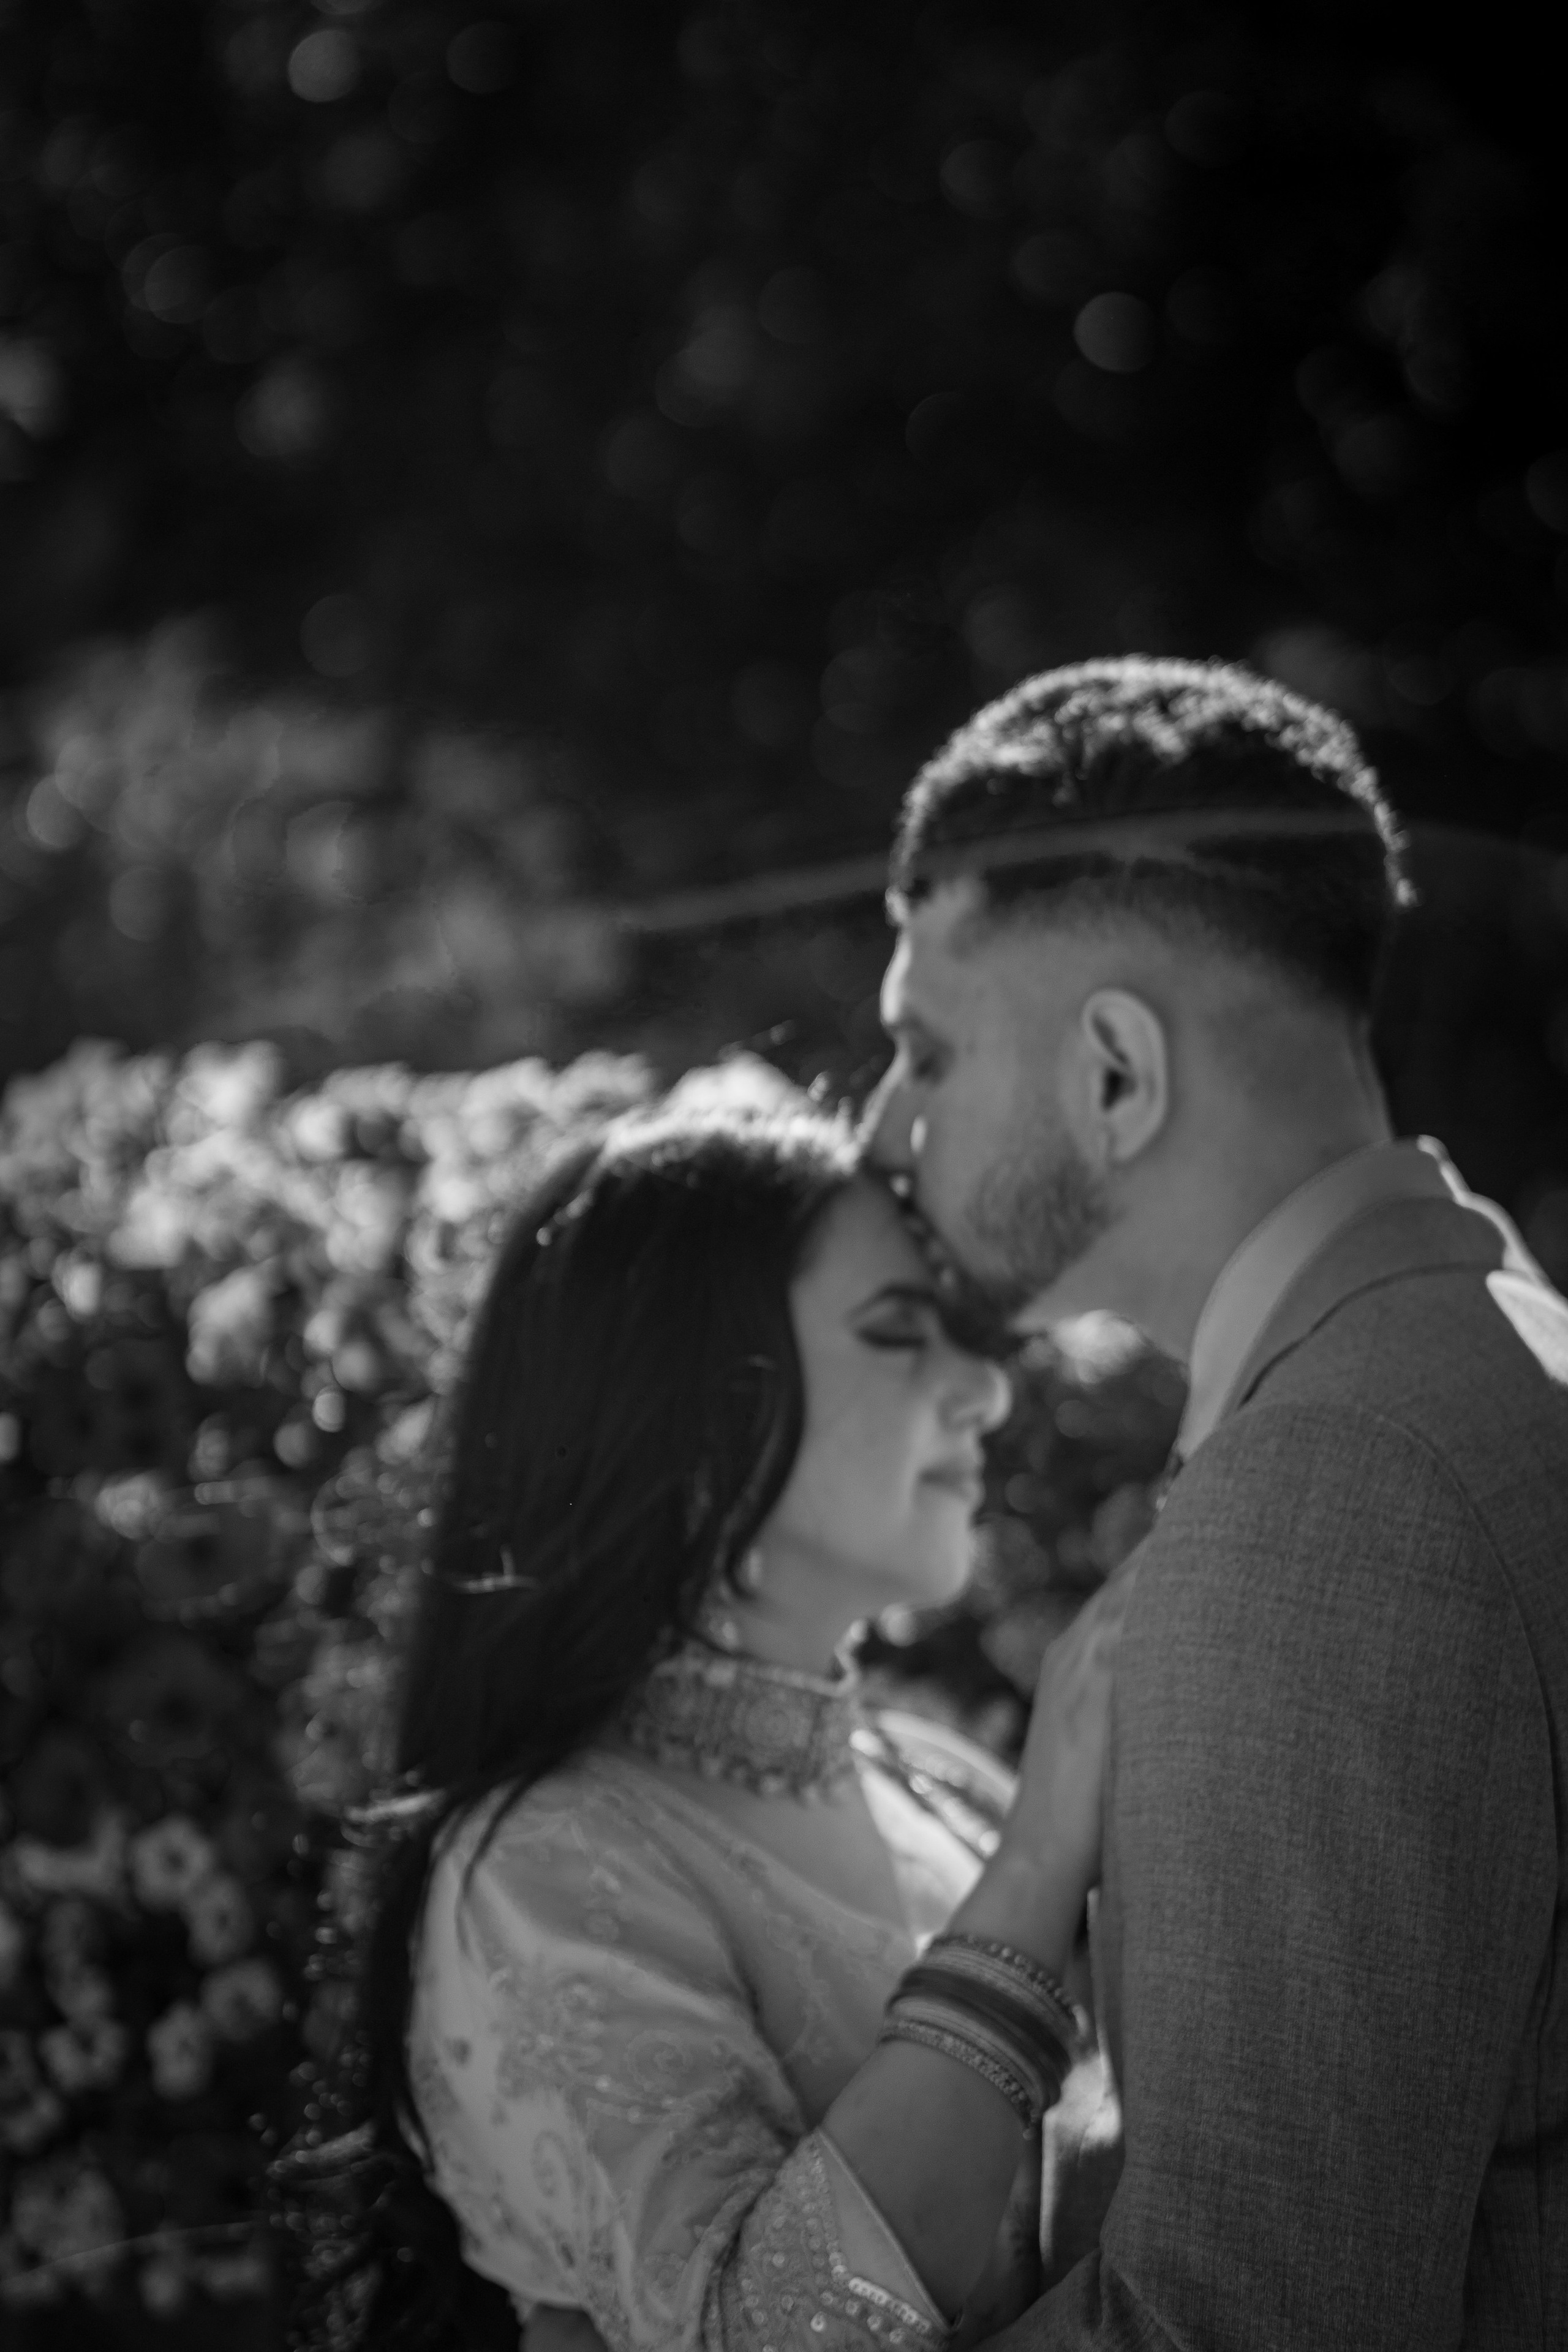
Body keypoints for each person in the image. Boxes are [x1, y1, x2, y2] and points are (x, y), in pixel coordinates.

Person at [861, 655, 1568, 2350]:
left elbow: (1241, 2322)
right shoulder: (1496, 1344)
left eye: (926, 1050)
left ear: (1117, 1074)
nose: (885, 1123)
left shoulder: (1338, 1496)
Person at [280, 1101, 1136, 2352]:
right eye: (898, 1336)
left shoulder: (935, 1781)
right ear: (689, 1417)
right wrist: (1038, 1867)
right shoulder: (542, 1870)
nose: (983, 1388)